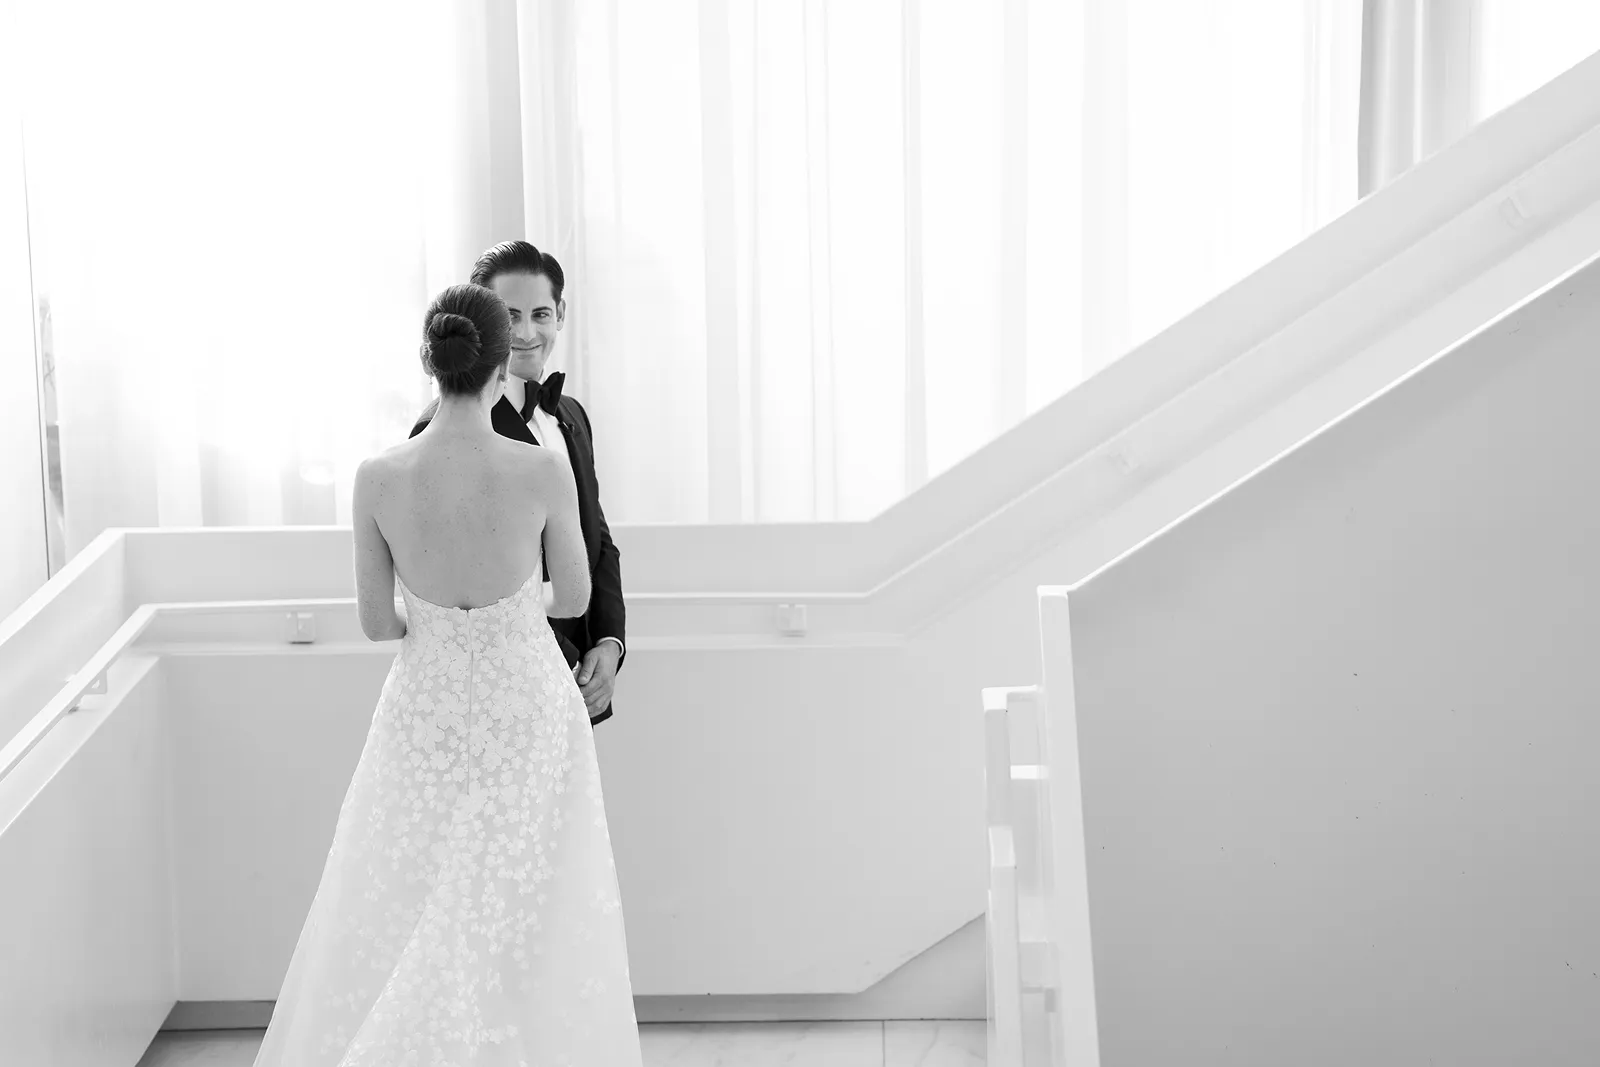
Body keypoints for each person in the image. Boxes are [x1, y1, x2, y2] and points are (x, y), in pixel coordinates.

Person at [253, 284, 642, 1066]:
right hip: (526, 700)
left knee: (409, 891)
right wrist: (504, 611)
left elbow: (375, 622)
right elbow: (571, 596)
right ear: (502, 363)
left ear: (431, 365)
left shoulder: (377, 475)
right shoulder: (537, 471)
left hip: (423, 705)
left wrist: (435, 624)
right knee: (520, 897)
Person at [411, 241, 625, 726]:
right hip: (491, 689)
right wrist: (565, 659)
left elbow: (598, 540)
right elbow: (462, 581)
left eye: (540, 314)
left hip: (579, 684)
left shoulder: (571, 416)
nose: (527, 333)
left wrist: (608, 647)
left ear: (561, 314)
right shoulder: (439, 431)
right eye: (509, 317)